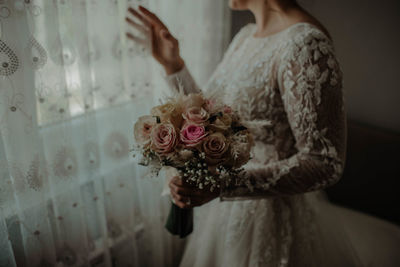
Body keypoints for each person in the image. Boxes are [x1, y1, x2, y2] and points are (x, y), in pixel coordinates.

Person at [126, 1, 400, 266]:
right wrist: (173, 65)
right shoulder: (246, 36)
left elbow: (324, 163)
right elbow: (212, 116)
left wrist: (223, 185)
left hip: (273, 215)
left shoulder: (305, 45)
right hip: (227, 213)